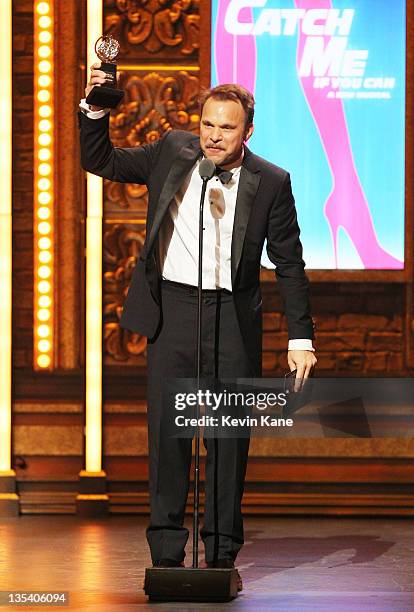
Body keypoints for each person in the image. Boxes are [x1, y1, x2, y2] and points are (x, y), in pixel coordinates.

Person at [78, 67, 317, 583]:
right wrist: (96, 108)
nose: (213, 135)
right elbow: (101, 160)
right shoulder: (172, 151)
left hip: (232, 317)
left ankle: (223, 553)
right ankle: (165, 555)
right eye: (207, 124)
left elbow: (289, 263)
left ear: (246, 133)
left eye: (226, 128)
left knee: (228, 441)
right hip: (174, 313)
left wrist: (301, 338)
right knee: (169, 437)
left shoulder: (272, 182)